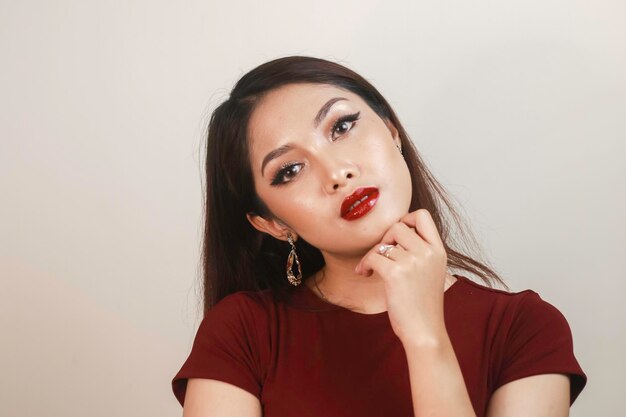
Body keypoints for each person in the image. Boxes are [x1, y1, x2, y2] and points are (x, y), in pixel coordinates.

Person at [171, 56, 587, 417]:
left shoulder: (525, 329)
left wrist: (425, 336)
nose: (337, 173)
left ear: (392, 131)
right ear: (272, 223)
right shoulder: (243, 333)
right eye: (290, 171)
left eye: (342, 127)